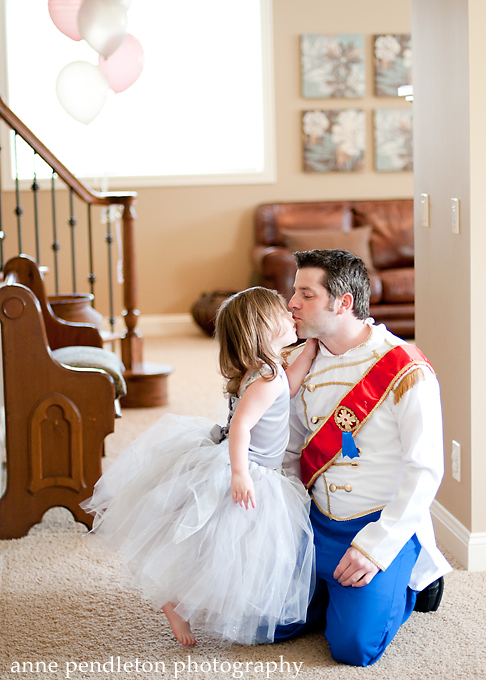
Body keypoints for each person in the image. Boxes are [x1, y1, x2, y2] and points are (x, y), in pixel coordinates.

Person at [82, 287, 317, 647]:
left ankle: (183, 601)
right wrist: (240, 474)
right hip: (250, 469)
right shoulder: (267, 378)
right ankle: (175, 602)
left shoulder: (267, 371)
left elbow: (289, 388)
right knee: (217, 546)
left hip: (245, 462)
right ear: (264, 328)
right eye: (283, 314)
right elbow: (241, 426)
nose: (291, 315)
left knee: (218, 546)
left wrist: (312, 346)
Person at [274, 249, 451, 667]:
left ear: (344, 302)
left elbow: (425, 469)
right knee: (266, 624)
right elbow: (289, 451)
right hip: (315, 520)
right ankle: (332, 594)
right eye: (293, 292)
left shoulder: (405, 367)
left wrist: (377, 547)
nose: (291, 303)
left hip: (374, 524)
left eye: (306, 294)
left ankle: (413, 582)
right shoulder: (296, 361)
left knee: (353, 648)